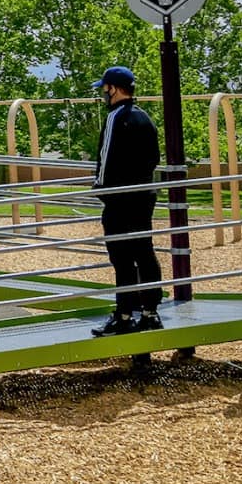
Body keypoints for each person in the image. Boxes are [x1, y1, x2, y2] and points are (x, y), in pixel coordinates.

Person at [92, 65, 164, 337]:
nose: (103, 93)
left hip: (120, 199)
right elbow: (154, 158)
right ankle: (150, 312)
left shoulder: (115, 118)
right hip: (143, 195)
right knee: (144, 252)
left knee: (121, 257)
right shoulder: (145, 118)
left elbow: (105, 157)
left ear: (114, 89)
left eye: (104, 88)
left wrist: (101, 188)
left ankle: (123, 315)